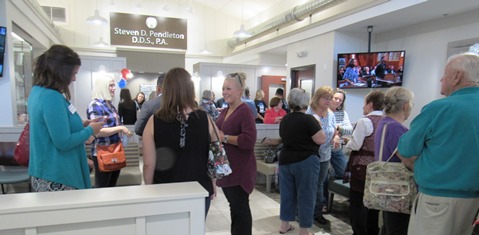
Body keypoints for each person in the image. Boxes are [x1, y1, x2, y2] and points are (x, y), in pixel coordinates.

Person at [397, 52, 479, 235]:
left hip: (439, 199)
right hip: (473, 201)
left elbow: (406, 148)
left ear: (457, 76)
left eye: (445, 74)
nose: (441, 79)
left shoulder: (439, 108)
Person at [28, 45, 103, 191]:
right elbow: (63, 141)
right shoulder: (52, 97)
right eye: (73, 73)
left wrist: (81, 124)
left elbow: (52, 124)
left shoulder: (37, 92)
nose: (74, 78)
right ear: (61, 72)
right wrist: (90, 130)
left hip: (46, 171)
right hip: (58, 174)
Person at [142, 67, 216, 216]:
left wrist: (148, 189)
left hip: (164, 190)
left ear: (166, 90)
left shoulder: (154, 121)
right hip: (199, 188)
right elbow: (213, 156)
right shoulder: (205, 118)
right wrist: (213, 185)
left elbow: (149, 163)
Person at [278, 88, 326, 235]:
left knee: (287, 194)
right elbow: (321, 139)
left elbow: (283, 137)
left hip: (285, 160)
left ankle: (284, 225)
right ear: (306, 101)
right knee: (306, 195)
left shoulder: (285, 119)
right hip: (305, 162)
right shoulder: (309, 119)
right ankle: (304, 230)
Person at [215, 72, 257, 235]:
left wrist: (224, 137)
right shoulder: (225, 111)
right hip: (227, 167)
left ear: (240, 91)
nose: (225, 92)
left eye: (229, 88)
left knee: (240, 210)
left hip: (240, 170)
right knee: (236, 209)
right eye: (223, 88)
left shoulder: (244, 111)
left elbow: (249, 140)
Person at [374, 87, 414, 235]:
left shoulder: (384, 123)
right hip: (398, 190)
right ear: (405, 106)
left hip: (386, 187)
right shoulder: (396, 128)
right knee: (397, 228)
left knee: (388, 226)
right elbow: (409, 161)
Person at [343, 90, 384, 235]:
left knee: (357, 203)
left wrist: (347, 143)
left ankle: (359, 232)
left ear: (370, 104)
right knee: (373, 203)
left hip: (362, 166)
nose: (363, 107)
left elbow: (356, 145)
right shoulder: (387, 121)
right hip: (379, 167)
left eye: (364, 104)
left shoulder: (365, 121)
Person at [87, 75, 133, 188]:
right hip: (102, 152)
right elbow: (98, 131)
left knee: (112, 186)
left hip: (115, 149)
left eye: (114, 85)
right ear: (102, 87)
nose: (114, 88)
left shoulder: (110, 105)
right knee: (103, 188)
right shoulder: (95, 105)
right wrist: (120, 128)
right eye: (111, 85)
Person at [309, 86, 336, 224]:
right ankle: (304, 212)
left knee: (319, 185)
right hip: (310, 155)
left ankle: (317, 213)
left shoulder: (331, 114)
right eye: (325, 98)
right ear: (318, 97)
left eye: (330, 98)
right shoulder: (309, 112)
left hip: (325, 155)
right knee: (308, 185)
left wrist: (333, 139)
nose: (328, 101)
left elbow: (334, 131)